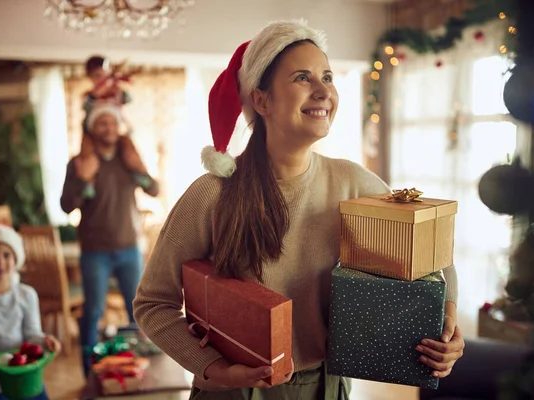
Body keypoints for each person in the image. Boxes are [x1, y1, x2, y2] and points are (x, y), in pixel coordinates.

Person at [133, 19, 464, 400]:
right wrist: (215, 369)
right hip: (231, 391)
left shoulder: (353, 184)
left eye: (328, 76)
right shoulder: (211, 195)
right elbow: (153, 304)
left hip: (324, 386)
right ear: (262, 100)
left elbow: (434, 259)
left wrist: (449, 322)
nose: (324, 91)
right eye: (303, 78)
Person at [60, 103, 159, 377]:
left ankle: (135, 369)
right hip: (95, 252)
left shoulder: (127, 160)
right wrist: (83, 179)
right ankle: (89, 374)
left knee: (136, 311)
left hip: (129, 249)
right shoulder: (79, 163)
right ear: (92, 128)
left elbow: (155, 189)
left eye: (113, 123)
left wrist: (140, 168)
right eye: (103, 123)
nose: (109, 128)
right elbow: (67, 205)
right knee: (92, 312)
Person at [0, 225, 62, 400]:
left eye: (6, 255)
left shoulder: (27, 295)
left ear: (16, 259)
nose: (0, 262)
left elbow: (32, 335)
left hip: (26, 379)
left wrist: (45, 340)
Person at [80, 55, 146, 198]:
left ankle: (138, 174)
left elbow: (128, 98)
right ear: (90, 78)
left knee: (129, 149)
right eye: (96, 76)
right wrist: (96, 94)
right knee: (87, 154)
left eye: (103, 74)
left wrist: (118, 90)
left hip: (120, 131)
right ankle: (88, 183)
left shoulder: (115, 91)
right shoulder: (90, 95)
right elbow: (85, 106)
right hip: (90, 135)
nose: (101, 79)